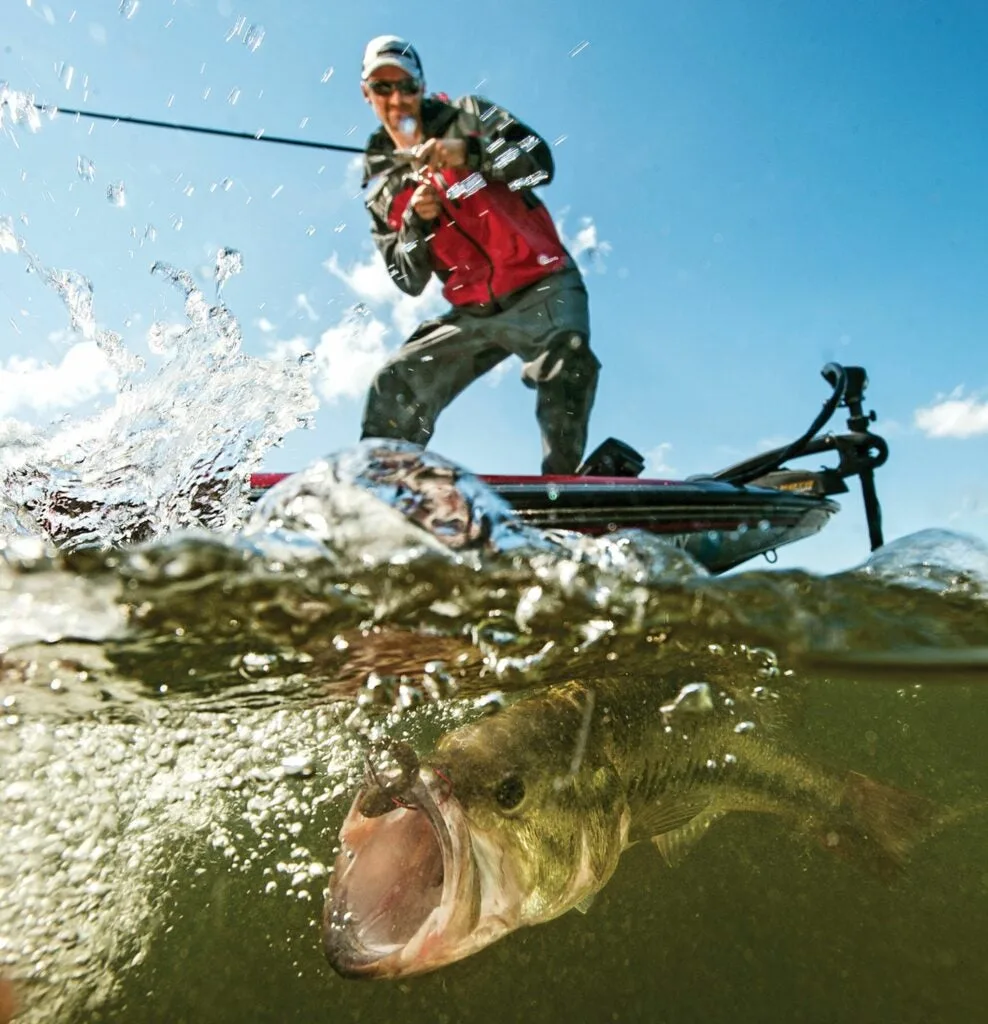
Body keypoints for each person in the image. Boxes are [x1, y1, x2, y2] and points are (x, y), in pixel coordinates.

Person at [357, 35, 601, 475]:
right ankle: (384, 486)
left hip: (544, 285)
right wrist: (417, 222)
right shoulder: (381, 192)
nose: (396, 99)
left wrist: (470, 152)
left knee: (568, 358)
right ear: (366, 93)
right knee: (395, 382)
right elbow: (407, 278)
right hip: (472, 310)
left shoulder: (470, 114)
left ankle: (562, 484)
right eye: (382, 87)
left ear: (421, 87)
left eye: (406, 86)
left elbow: (538, 163)